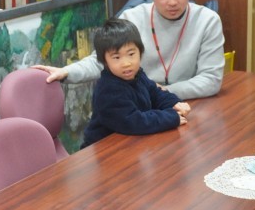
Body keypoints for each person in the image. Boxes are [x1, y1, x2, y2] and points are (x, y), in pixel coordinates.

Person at [34, 0, 225, 100]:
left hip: (188, 104)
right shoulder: (132, 18)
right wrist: (67, 72)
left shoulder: (208, 21)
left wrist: (164, 92)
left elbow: (211, 79)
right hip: (138, 105)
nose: (173, 1)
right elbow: (102, 61)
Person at [80, 18, 191, 148]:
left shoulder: (137, 74)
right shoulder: (108, 90)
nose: (126, 63)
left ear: (140, 52)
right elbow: (133, 122)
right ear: (104, 61)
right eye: (116, 57)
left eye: (131, 54)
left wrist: (174, 103)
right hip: (104, 149)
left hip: (131, 143)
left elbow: (155, 93)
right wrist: (169, 118)